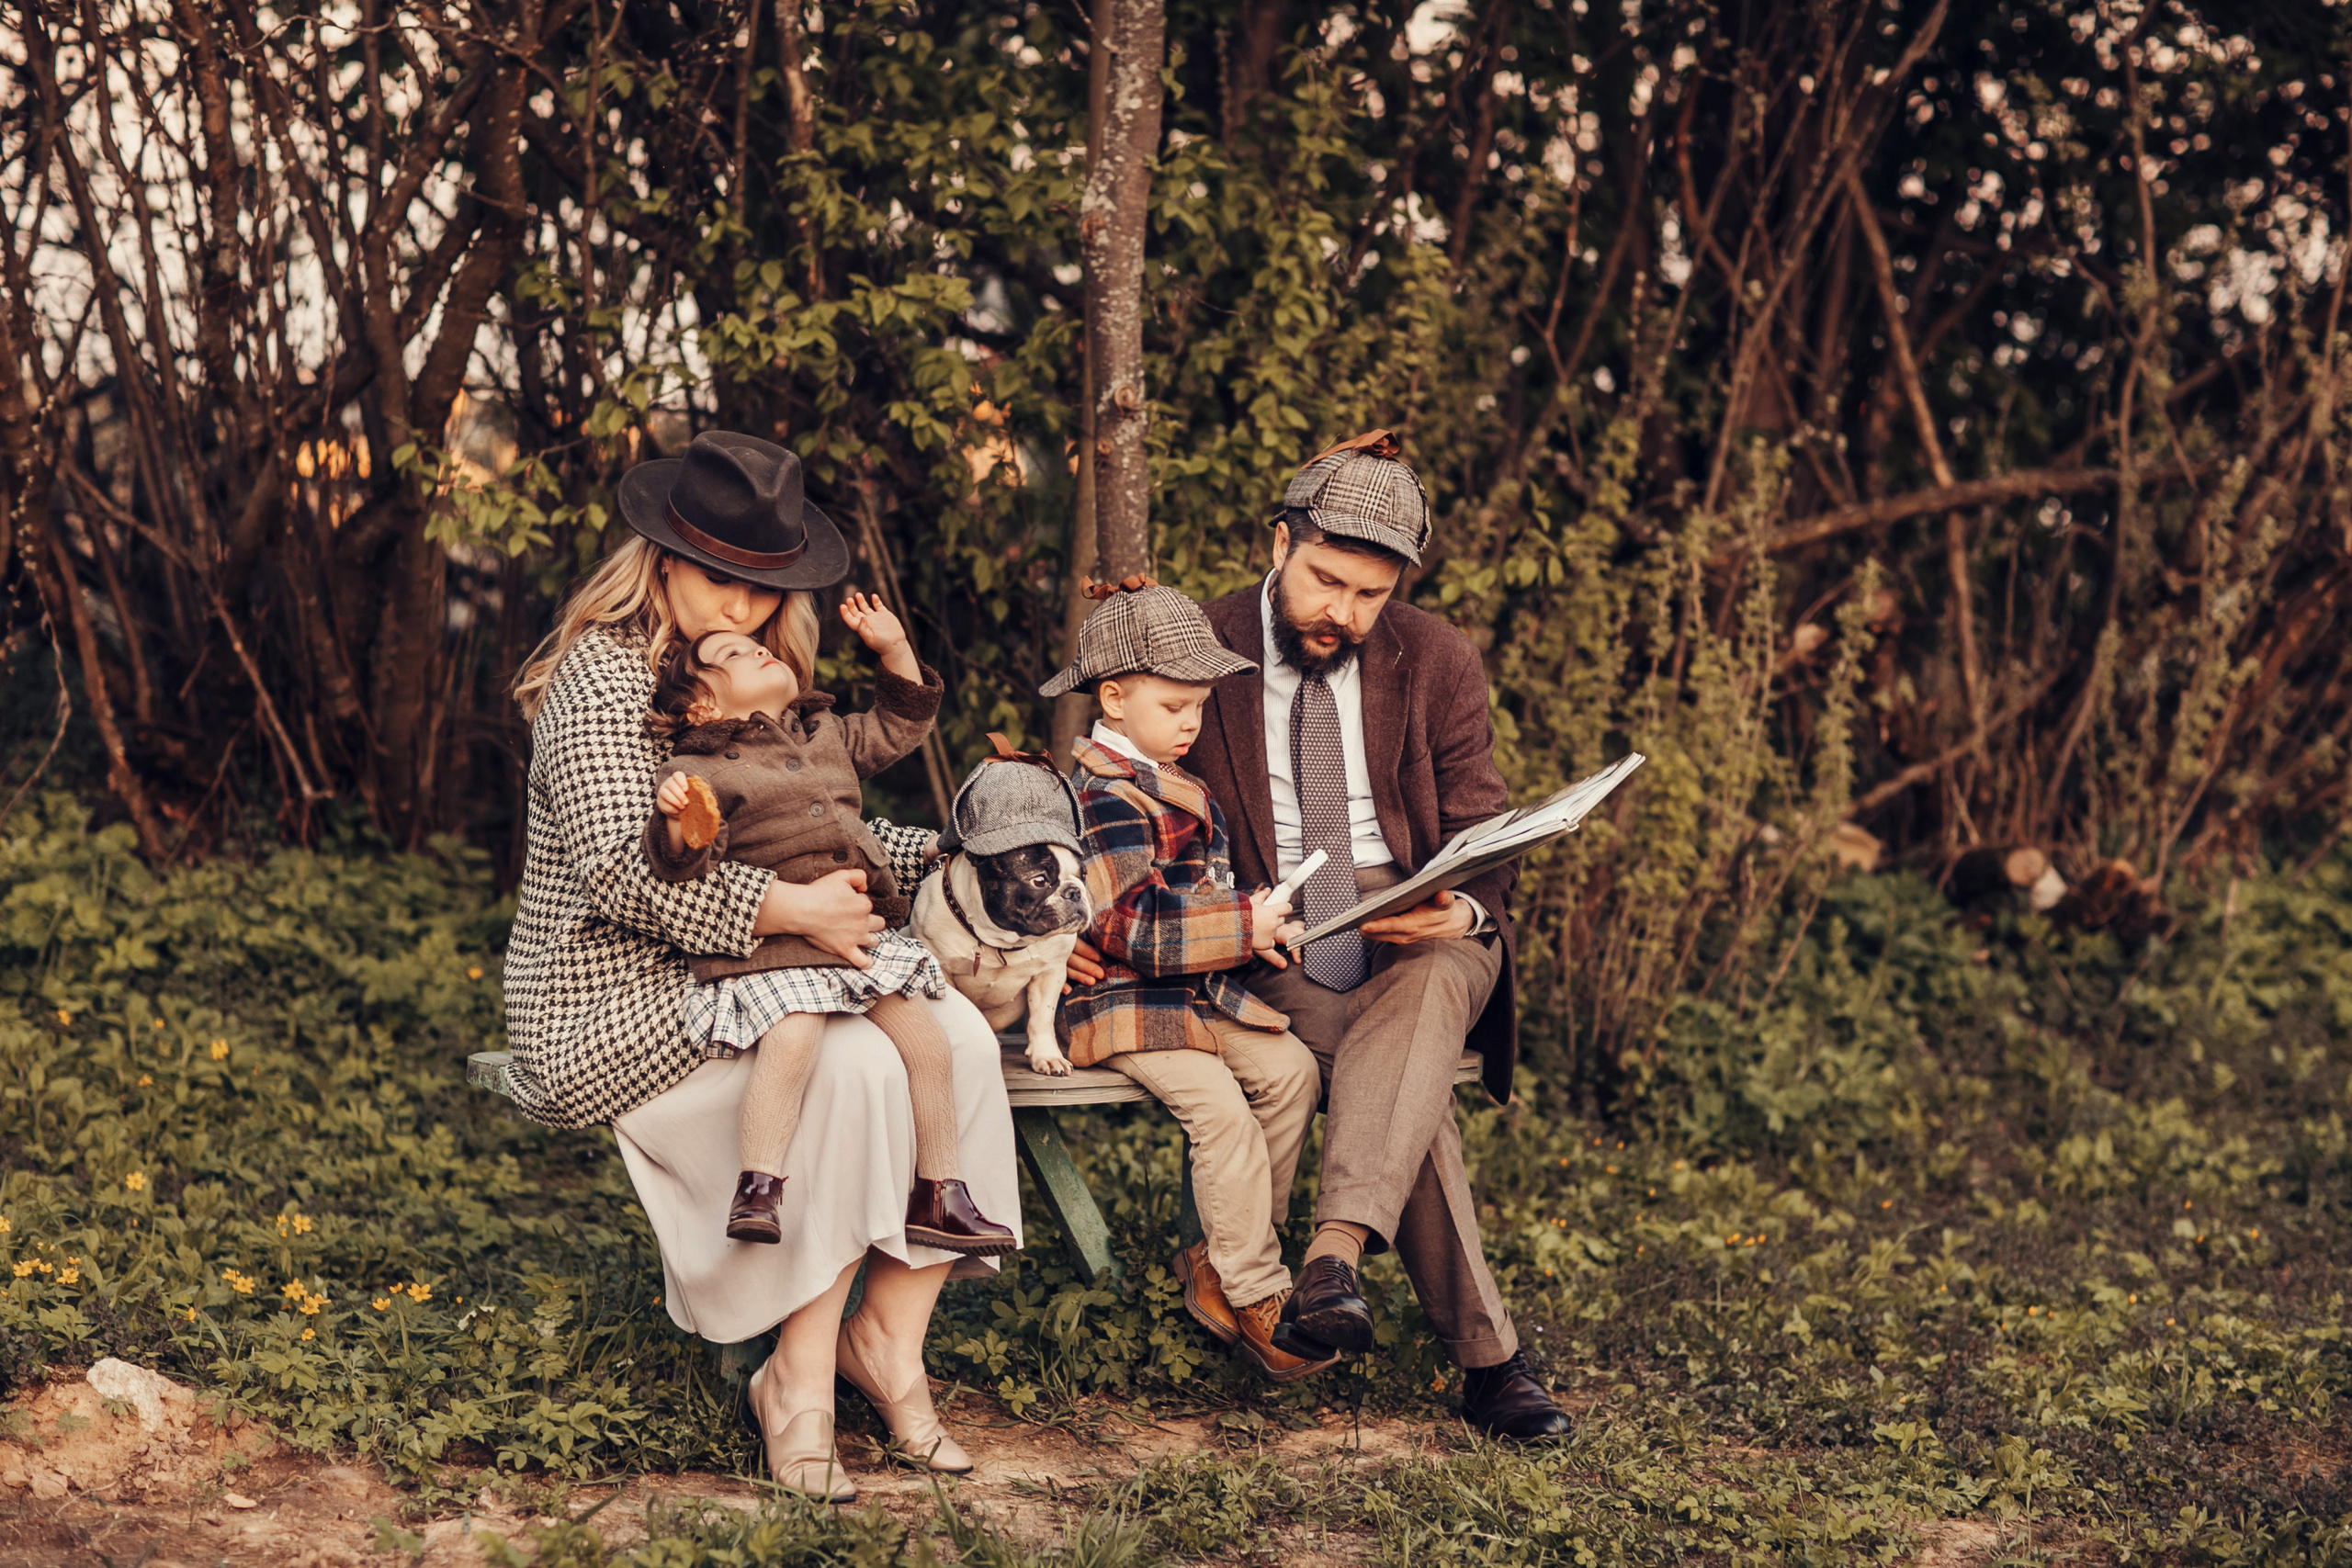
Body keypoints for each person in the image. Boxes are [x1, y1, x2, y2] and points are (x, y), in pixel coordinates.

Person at [503, 430, 1022, 1500]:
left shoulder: (764, 674)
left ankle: (886, 1338)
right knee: (853, 1064)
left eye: (761, 586)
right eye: (719, 579)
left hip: (767, 966)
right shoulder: (604, 681)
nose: (742, 609)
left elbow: (824, 823)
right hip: (614, 992)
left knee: (960, 1037)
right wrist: (792, 910)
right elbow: (618, 875)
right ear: (660, 557)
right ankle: (796, 1382)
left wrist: (963, 848)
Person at [1074, 430, 1573, 1441]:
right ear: (1278, 545)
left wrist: (1461, 903)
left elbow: (1483, 820)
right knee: (1407, 1079)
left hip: (1420, 919)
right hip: (1271, 931)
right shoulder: (1198, 643)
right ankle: (1474, 1353)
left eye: (1367, 596)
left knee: (1430, 990)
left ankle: (1331, 1260)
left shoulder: (1436, 658)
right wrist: (1084, 908)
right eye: (1324, 582)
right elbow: (1106, 781)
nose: (1340, 613)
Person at [643, 609, 1015, 1258]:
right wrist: (678, 818)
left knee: (928, 1045)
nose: (757, 650)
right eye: (733, 654)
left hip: (856, 938)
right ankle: (759, 1186)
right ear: (703, 705)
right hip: (779, 947)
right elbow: (685, 863)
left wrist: (896, 647)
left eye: (755, 644)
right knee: (793, 1038)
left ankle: (941, 1193)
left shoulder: (824, 735)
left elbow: (898, 726)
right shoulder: (704, 768)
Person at [1039, 578, 1328, 1384]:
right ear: (1115, 697)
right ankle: (1259, 1292)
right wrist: (1240, 924)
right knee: (1221, 1113)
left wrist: (1258, 929)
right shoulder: (1103, 797)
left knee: (1292, 1072)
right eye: (1175, 707)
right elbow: (1131, 924)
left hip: (1195, 989)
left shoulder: (1177, 783)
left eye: (1199, 707)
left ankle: (1220, 1259)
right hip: (1124, 1001)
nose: (1191, 724)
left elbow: (1199, 902)